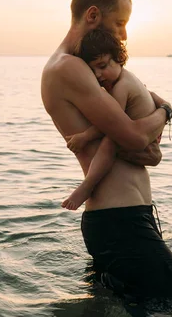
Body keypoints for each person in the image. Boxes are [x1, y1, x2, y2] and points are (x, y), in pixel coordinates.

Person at [41, 0, 172, 309]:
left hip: (122, 218)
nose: (124, 35)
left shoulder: (80, 67)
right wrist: (166, 110)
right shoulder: (68, 68)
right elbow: (134, 136)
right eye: (120, 23)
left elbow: (140, 148)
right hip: (119, 222)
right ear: (93, 15)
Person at [61, 29, 160, 211]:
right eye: (93, 70)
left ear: (119, 58)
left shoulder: (121, 87)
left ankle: (87, 186)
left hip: (140, 136)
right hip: (144, 136)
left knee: (108, 143)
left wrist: (85, 136)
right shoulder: (128, 78)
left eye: (103, 66)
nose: (98, 75)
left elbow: (110, 124)